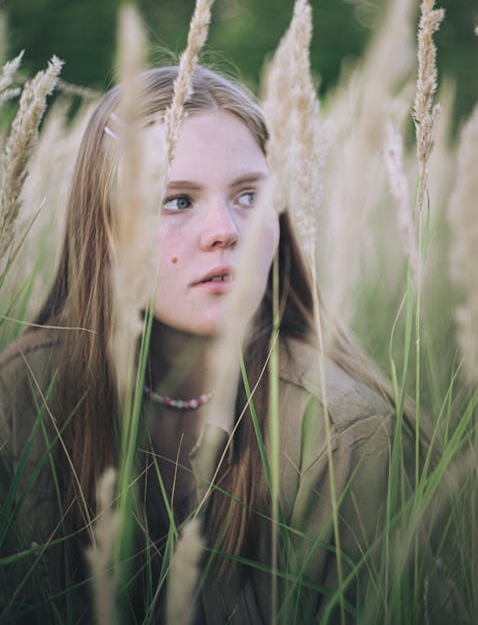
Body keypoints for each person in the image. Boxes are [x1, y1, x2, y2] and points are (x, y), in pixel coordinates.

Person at [0, 66, 441, 624]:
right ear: (103, 225)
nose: (225, 230)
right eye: (177, 200)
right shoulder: (19, 406)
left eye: (249, 195)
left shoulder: (342, 433)